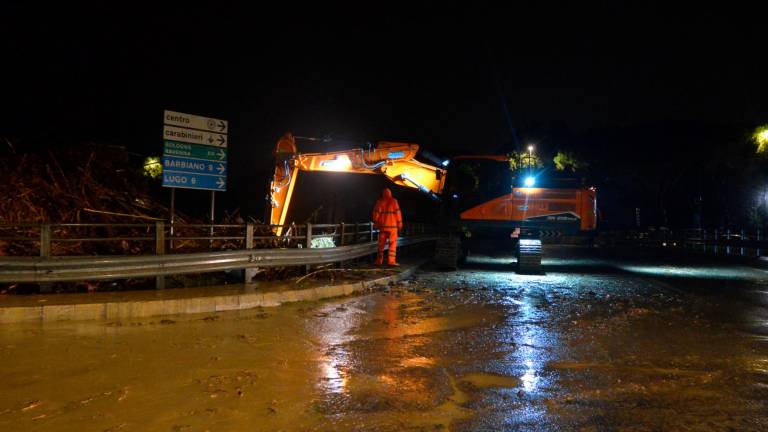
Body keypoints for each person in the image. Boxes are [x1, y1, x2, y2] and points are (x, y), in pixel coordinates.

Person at [372, 187, 402, 266]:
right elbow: (398, 213)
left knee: (381, 244)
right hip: (393, 228)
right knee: (392, 244)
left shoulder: (380, 201)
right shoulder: (394, 201)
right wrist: (400, 224)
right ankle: (391, 262)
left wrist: (376, 223)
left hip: (383, 227)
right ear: (390, 193)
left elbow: (376, 213)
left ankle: (379, 261)